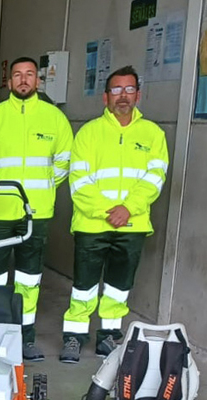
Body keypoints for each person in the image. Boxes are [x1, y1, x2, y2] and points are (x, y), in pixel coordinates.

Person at [60, 66, 169, 363]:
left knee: (119, 286)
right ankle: (73, 337)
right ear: (105, 97)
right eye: (117, 90)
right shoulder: (88, 133)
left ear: (138, 94)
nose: (123, 96)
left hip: (132, 225)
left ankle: (108, 336)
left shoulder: (153, 134)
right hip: (91, 223)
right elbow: (79, 180)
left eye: (129, 89)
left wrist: (127, 209)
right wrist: (107, 212)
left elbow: (154, 178)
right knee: (84, 286)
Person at [0, 56, 73, 361]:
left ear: (38, 81)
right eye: (17, 75)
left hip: (36, 212)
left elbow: (63, 161)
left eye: (29, 74)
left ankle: (23, 336)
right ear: (9, 82)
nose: (24, 80)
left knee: (29, 278)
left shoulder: (54, 118)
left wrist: (39, 188)